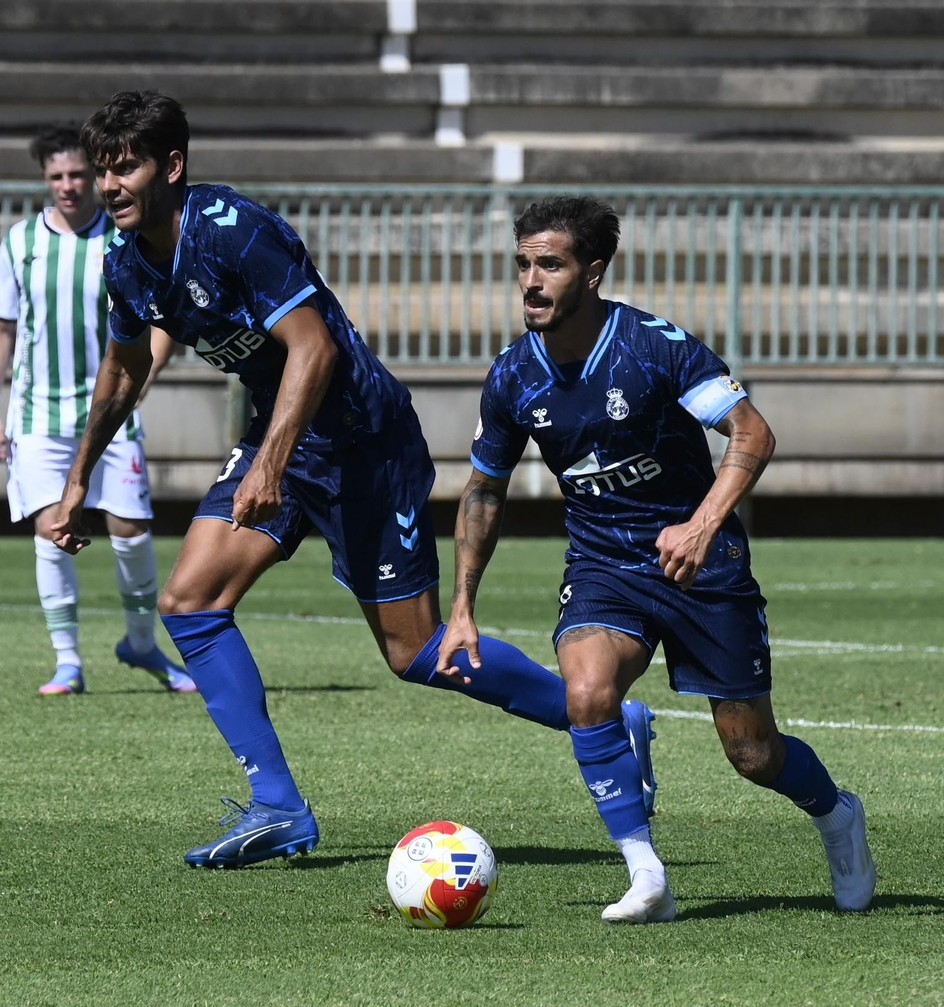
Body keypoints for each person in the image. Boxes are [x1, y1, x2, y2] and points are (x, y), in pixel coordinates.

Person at [49, 91, 644, 868]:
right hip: (285, 437)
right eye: (101, 171)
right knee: (189, 600)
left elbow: (316, 349)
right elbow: (123, 370)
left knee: (417, 653)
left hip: (365, 440)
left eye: (125, 167)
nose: (110, 185)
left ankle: (605, 719)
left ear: (172, 165)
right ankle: (278, 807)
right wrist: (76, 480)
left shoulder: (236, 231)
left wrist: (268, 461)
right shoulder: (125, 261)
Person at [448, 195, 875, 923]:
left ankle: (837, 815)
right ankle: (648, 876)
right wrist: (461, 607)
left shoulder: (655, 347)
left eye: (549, 264)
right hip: (603, 564)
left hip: (702, 564)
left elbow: (752, 435)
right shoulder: (513, 375)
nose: (530, 280)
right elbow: (484, 492)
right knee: (587, 692)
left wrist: (703, 524)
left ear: (593, 270)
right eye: (521, 264)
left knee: (752, 753)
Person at [0, 125, 195, 697]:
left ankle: (141, 643)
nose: (70, 185)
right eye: (58, 176)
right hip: (37, 414)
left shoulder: (124, 239)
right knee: (53, 530)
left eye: (79, 174)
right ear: (45, 180)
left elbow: (162, 318)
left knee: (131, 529)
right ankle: (67, 661)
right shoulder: (21, 241)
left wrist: (146, 375)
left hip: (110, 411)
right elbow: (1, 326)